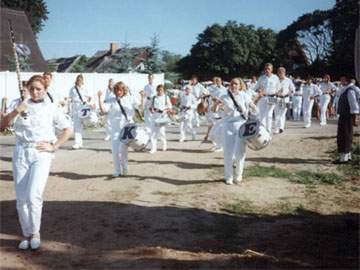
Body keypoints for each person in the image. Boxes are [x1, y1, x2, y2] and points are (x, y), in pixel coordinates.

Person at [0, 75, 72, 250]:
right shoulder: (19, 103)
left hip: (41, 153)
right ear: (27, 88)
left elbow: (68, 129)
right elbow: (2, 125)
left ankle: (36, 232)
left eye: (39, 89)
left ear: (45, 90)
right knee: (21, 198)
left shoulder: (51, 107)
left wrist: (54, 146)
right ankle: (26, 234)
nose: (35, 92)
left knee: (34, 195)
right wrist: (17, 110)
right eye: (32, 88)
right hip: (21, 152)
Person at [98, 81, 141, 176]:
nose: (118, 92)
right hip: (115, 129)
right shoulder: (111, 100)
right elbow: (104, 110)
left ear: (123, 90)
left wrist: (142, 97)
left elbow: (140, 106)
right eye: (116, 90)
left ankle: (125, 169)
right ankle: (117, 171)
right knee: (115, 151)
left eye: (120, 90)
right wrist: (99, 98)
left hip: (127, 129)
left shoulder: (129, 99)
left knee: (123, 150)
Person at [221, 78, 257, 185]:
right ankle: (228, 177)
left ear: (240, 86)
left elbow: (253, 107)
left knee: (240, 152)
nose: (233, 85)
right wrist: (216, 106)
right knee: (228, 152)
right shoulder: (224, 97)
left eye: (236, 84)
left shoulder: (244, 95)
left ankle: (239, 175)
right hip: (228, 126)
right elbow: (215, 109)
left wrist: (254, 109)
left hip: (241, 126)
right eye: (231, 83)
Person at [334, 75, 359, 164]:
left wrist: (355, 117)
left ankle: (344, 158)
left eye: (343, 80)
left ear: (347, 81)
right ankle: (347, 156)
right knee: (346, 135)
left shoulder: (350, 90)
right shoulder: (345, 89)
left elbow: (354, 105)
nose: (341, 82)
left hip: (347, 116)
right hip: (344, 115)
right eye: (341, 80)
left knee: (344, 135)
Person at [68, 74, 94, 149]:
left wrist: (89, 102)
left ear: (82, 81)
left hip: (84, 107)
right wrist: (68, 101)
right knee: (77, 125)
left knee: (89, 121)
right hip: (76, 107)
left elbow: (90, 97)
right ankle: (78, 143)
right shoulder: (72, 89)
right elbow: (70, 98)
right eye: (78, 80)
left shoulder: (85, 88)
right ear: (76, 80)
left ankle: (89, 126)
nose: (79, 81)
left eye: (80, 80)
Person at [254, 63, 280, 133]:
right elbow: (255, 88)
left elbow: (279, 89)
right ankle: (263, 131)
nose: (267, 70)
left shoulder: (276, 78)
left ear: (272, 69)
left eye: (268, 69)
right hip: (262, 97)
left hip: (272, 97)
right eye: (265, 69)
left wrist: (277, 94)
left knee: (269, 114)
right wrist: (259, 90)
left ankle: (268, 131)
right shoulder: (261, 78)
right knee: (261, 115)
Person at [149, 84, 173, 154]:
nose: (160, 91)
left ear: (163, 91)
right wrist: (152, 110)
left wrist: (165, 110)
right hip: (154, 117)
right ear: (157, 90)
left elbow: (170, 107)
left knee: (161, 133)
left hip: (162, 117)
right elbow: (150, 107)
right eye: (158, 90)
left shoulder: (166, 97)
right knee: (153, 133)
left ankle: (164, 143)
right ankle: (153, 148)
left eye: (161, 90)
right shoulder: (154, 98)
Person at [274, 67, 295, 134]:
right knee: (277, 114)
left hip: (285, 99)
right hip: (277, 98)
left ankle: (281, 127)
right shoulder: (275, 80)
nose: (280, 73)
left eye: (282, 72)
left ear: (284, 73)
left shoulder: (288, 80)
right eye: (279, 72)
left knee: (282, 114)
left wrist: (288, 93)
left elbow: (293, 90)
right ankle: (277, 129)